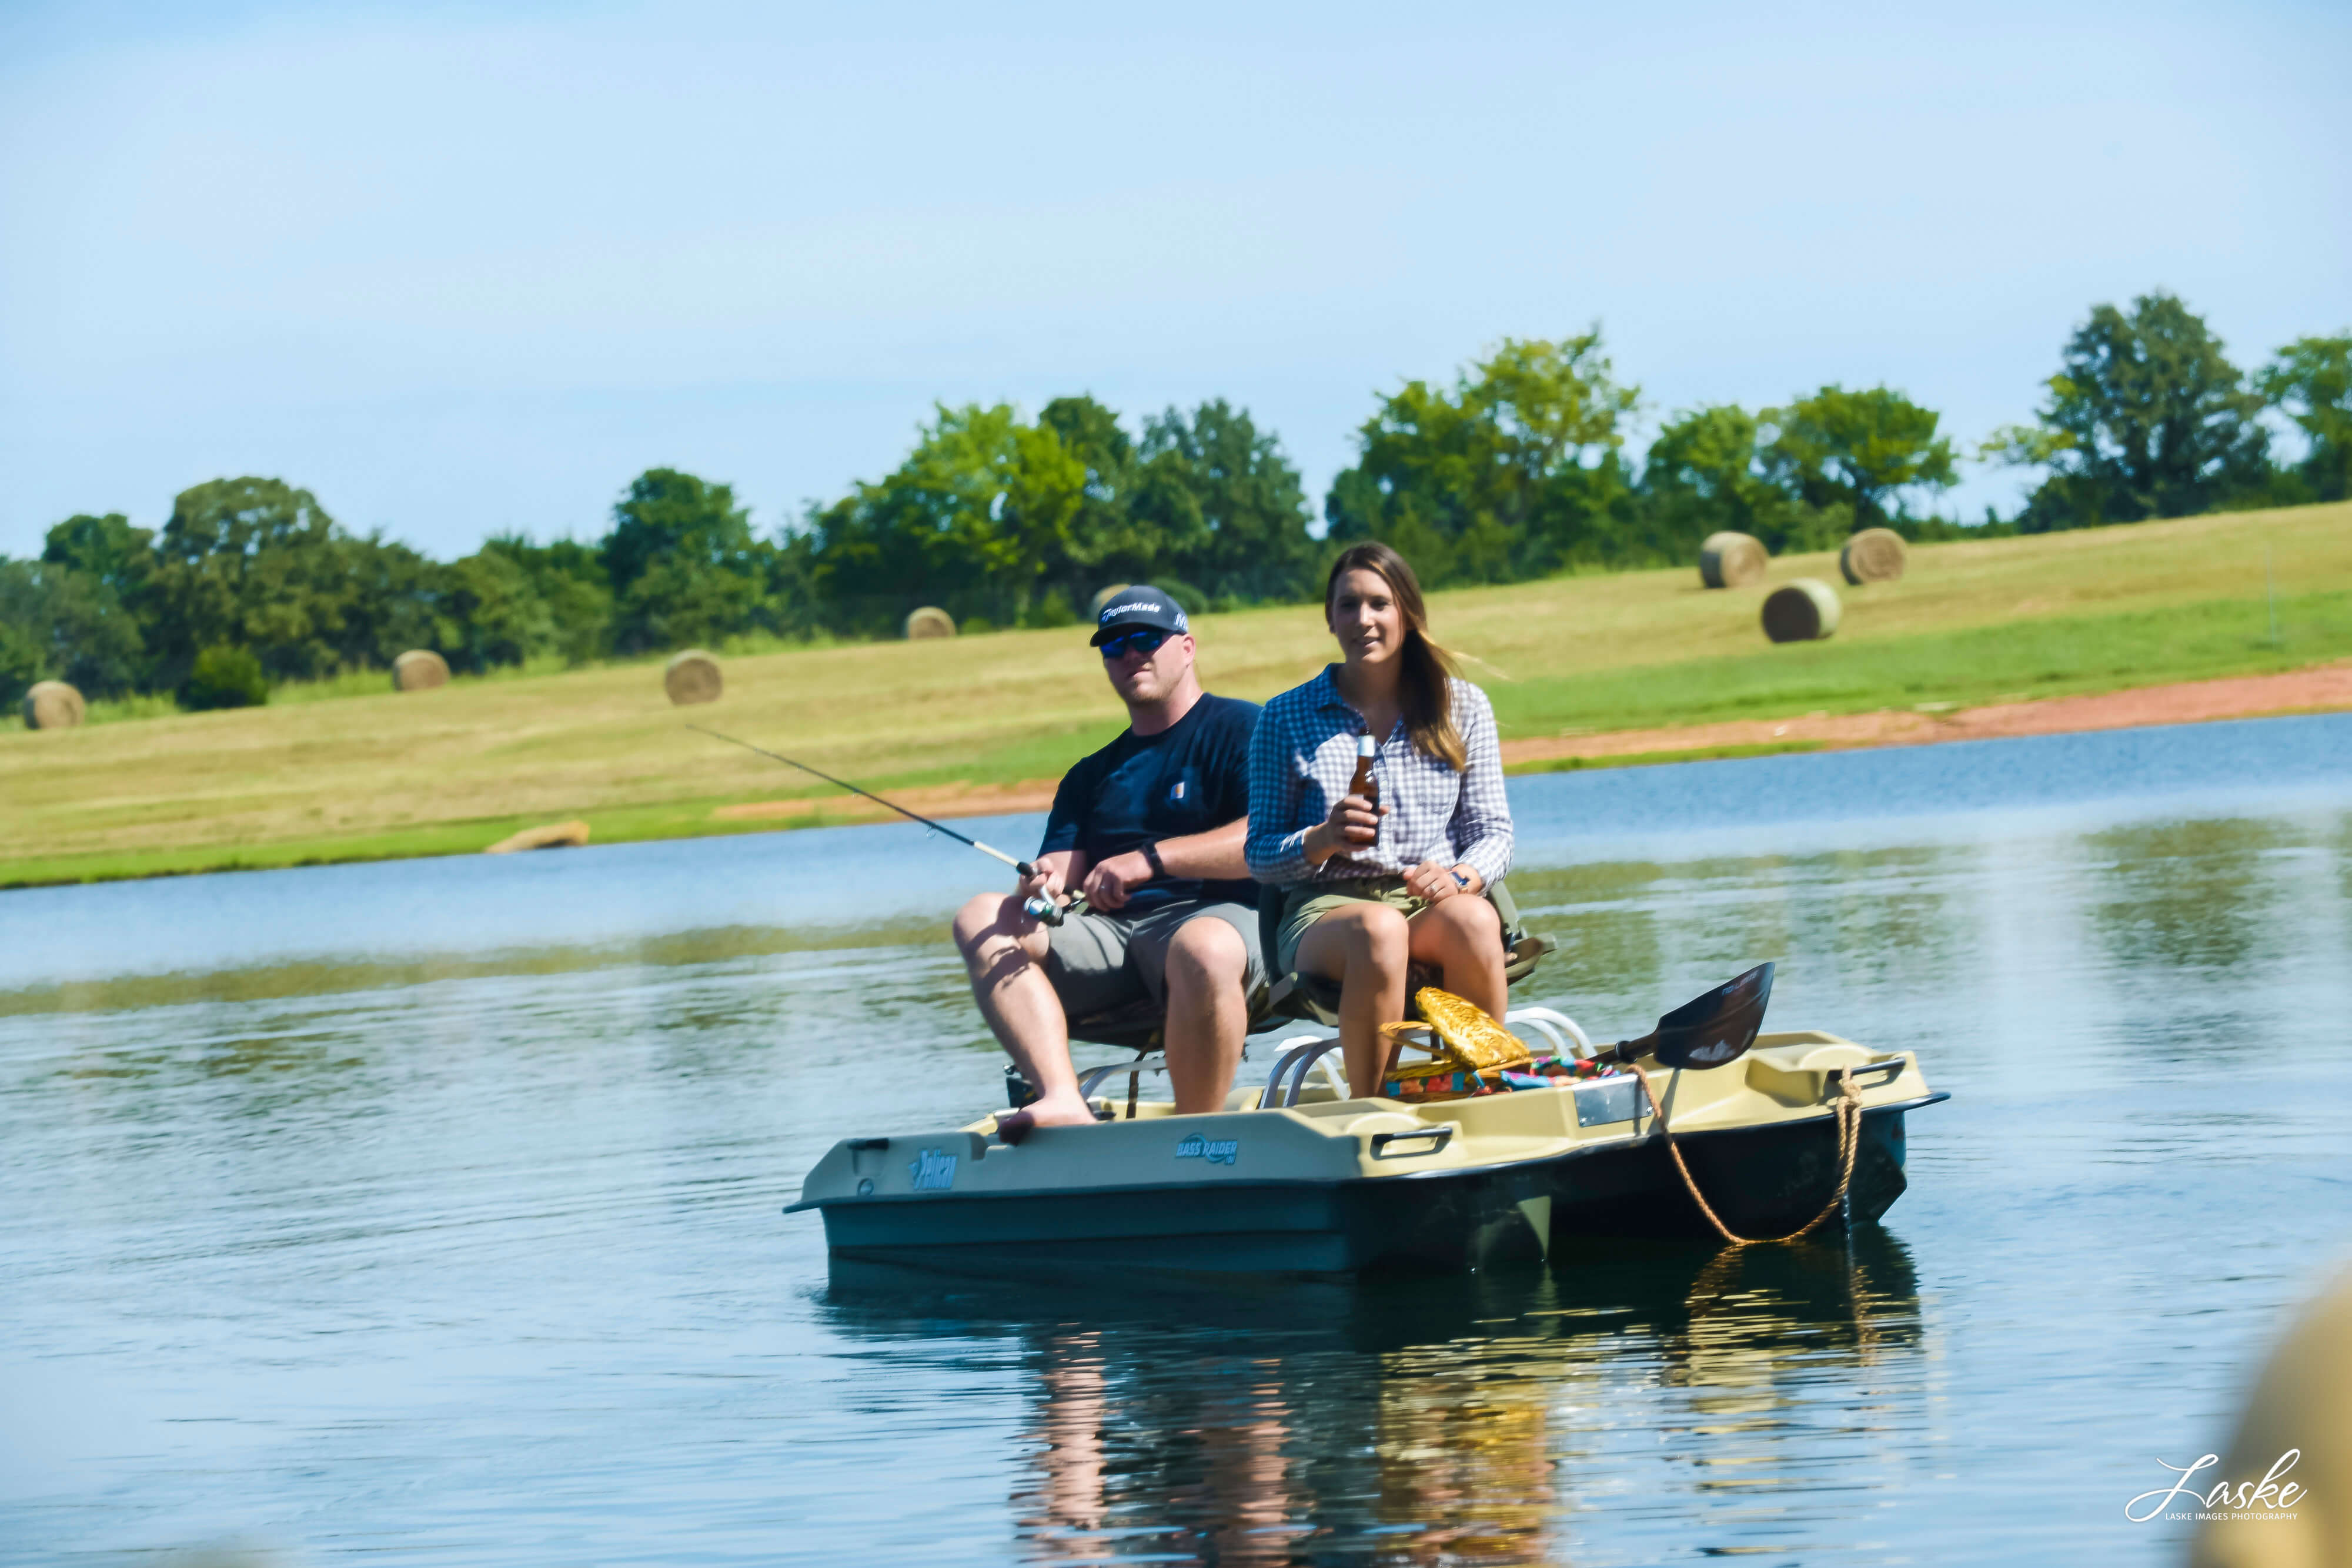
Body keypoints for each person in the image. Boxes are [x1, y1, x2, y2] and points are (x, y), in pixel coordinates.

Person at [954, 586, 1267, 1134]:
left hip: (1220, 923)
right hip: (1114, 940)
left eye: (1147, 638)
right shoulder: (1090, 773)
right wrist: (1044, 885)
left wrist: (1149, 861)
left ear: (1187, 647)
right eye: (1114, 645)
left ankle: (1199, 1132)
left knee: (1204, 945)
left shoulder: (1245, 729)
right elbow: (1061, 867)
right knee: (982, 915)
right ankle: (1061, 1098)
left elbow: (1262, 841)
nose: (1130, 654)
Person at [1244, 542, 1514, 1098]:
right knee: (1380, 929)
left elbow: (1494, 833)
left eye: (1378, 604)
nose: (1362, 619)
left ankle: (1473, 1090)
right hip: (1325, 912)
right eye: (1348, 605)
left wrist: (1460, 878)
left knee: (1476, 921)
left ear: (1407, 614)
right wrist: (1320, 840)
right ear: (1330, 617)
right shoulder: (1284, 716)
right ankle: (1376, 1106)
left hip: (1426, 901)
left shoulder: (1462, 706)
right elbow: (1259, 853)